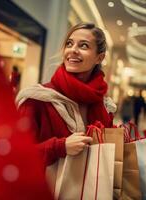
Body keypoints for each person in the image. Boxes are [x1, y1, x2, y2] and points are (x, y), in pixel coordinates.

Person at [16, 23, 115, 166]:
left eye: (84, 46)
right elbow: (17, 155)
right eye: (69, 44)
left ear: (99, 58)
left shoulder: (105, 106)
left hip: (92, 187)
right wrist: (60, 147)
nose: (73, 50)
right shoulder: (37, 99)